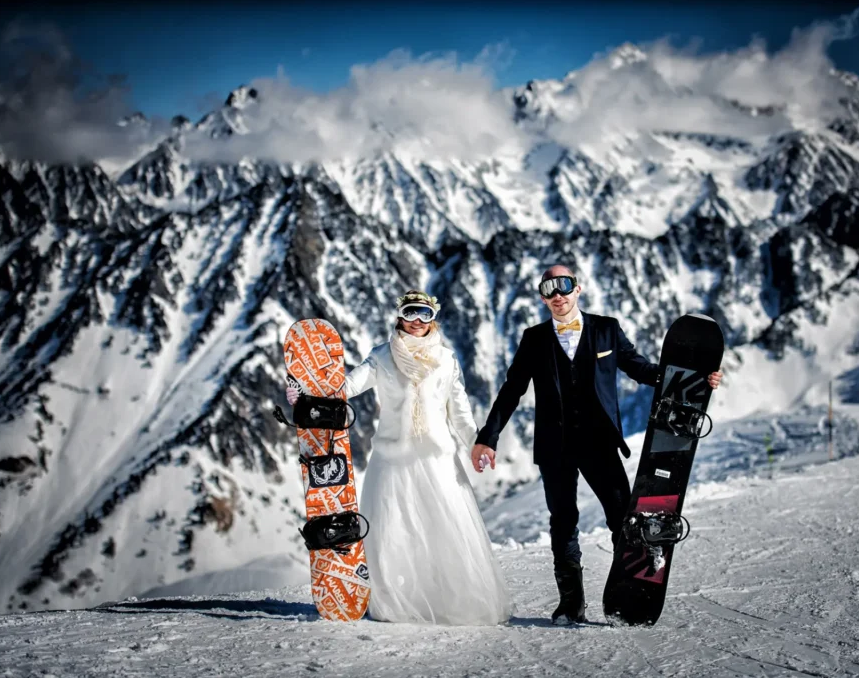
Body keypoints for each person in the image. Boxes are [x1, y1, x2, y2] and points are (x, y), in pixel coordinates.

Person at [471, 266, 723, 625]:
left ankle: (633, 589)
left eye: (565, 287)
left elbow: (641, 369)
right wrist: (487, 437)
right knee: (563, 522)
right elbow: (512, 389)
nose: (558, 295)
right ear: (543, 297)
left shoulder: (607, 329)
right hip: (554, 446)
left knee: (622, 515)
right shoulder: (534, 338)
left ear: (578, 289)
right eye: (549, 289)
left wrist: (696, 379)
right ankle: (570, 603)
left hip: (599, 443)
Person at [287, 290, 513, 626]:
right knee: (394, 532)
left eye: (424, 313)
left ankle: (447, 601)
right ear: (399, 316)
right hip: (393, 459)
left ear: (433, 317)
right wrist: (306, 393)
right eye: (411, 313)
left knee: (444, 529)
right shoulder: (382, 356)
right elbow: (346, 386)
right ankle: (394, 602)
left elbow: (460, 414)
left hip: (437, 459)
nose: (417, 321)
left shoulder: (447, 360)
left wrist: (476, 445)